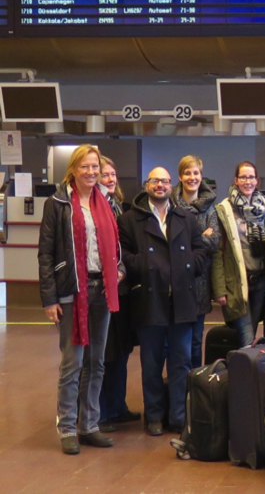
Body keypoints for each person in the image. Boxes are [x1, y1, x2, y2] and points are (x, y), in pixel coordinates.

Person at [39, 145, 125, 454]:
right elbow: (46, 254)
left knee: (96, 362)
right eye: (85, 167)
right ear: (74, 169)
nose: (91, 172)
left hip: (102, 290)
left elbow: (115, 244)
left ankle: (89, 425)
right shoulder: (58, 204)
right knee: (72, 363)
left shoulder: (106, 202)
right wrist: (49, 299)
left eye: (95, 167)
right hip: (71, 292)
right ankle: (67, 428)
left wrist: (119, 269)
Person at [119, 166, 207, 435]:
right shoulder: (129, 219)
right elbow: (124, 255)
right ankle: (154, 416)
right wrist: (151, 265)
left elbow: (201, 249)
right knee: (151, 364)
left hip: (182, 301)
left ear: (171, 186)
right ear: (147, 185)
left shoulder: (185, 217)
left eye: (165, 181)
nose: (160, 185)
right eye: (155, 181)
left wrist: (187, 264)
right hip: (149, 301)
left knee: (181, 363)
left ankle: (179, 417)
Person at [96, 156, 140, 432]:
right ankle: (100, 412)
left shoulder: (117, 207)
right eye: (105, 175)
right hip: (101, 291)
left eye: (113, 174)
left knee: (121, 351)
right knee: (104, 353)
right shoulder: (93, 207)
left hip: (122, 290)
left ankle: (117, 406)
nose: (111, 179)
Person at [213, 161, 265, 346]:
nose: (248, 181)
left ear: (257, 180)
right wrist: (219, 289)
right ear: (236, 180)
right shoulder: (224, 210)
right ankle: (243, 364)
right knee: (246, 336)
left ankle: (241, 363)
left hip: (260, 281)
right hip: (237, 284)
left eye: (251, 177)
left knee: (250, 334)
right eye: (243, 177)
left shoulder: (263, 208)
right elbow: (218, 253)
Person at [172, 155, 221, 369]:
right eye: (187, 173)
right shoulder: (170, 205)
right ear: (180, 176)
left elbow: (214, 241)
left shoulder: (210, 208)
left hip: (200, 281)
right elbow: (170, 242)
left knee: (195, 341)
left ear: (201, 176)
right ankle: (177, 383)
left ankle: (194, 383)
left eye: (196, 173)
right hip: (175, 282)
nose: (192, 177)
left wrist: (187, 242)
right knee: (175, 342)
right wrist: (201, 236)